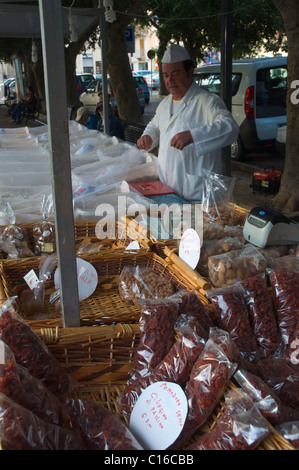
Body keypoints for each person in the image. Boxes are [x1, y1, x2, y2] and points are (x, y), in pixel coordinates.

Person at [137, 44, 239, 201]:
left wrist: (193, 136)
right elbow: (155, 125)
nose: (169, 81)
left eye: (175, 74)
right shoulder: (165, 103)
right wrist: (148, 135)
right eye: (165, 75)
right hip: (168, 191)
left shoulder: (207, 101)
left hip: (197, 195)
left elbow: (230, 127)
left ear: (190, 72)